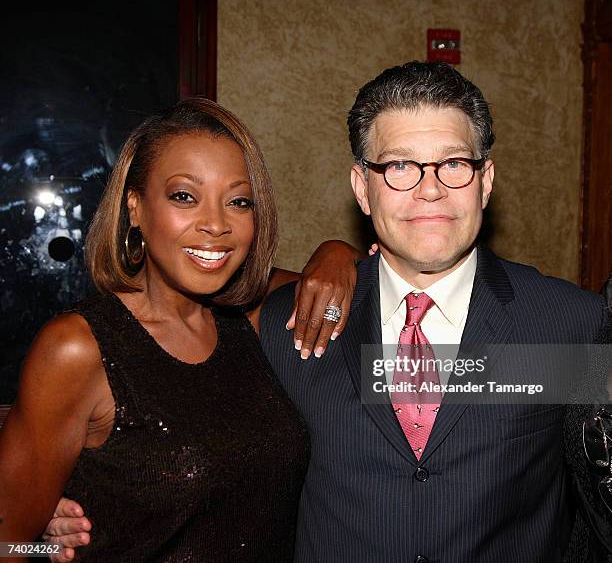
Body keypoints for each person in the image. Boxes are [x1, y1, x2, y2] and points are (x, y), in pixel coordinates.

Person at [43, 63, 611, 562]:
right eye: (398, 167)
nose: (429, 190)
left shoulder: (571, 326)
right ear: (361, 189)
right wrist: (53, 532)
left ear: (485, 183)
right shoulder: (287, 327)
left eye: (453, 164)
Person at [0, 98, 360, 562]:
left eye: (238, 201)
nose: (215, 224)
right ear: (135, 207)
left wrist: (336, 249)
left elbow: (337, 280)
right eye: (184, 196)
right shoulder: (79, 347)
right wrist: (43, 543)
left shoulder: (247, 316)